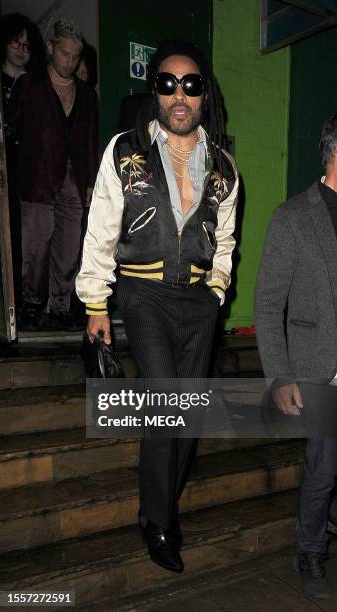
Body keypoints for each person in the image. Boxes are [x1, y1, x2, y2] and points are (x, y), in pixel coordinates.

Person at [76, 39, 238, 573]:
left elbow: (227, 239)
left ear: (203, 96)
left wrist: (216, 290)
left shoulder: (225, 169)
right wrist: (96, 303)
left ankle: (162, 506)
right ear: (156, 93)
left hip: (197, 300)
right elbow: (101, 225)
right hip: (143, 293)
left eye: (190, 85)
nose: (179, 95)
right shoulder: (126, 152)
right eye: (167, 84)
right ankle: (157, 518)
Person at [255, 113, 337, 600]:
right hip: (317, 366)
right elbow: (267, 303)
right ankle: (309, 550)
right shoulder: (292, 216)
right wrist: (280, 374)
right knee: (324, 466)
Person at [6, 19, 99, 331]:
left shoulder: (87, 95)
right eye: (64, 54)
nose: (70, 62)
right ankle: (31, 304)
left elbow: (90, 142)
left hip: (74, 181)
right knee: (35, 247)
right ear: (50, 48)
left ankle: (60, 306)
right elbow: (12, 133)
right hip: (37, 180)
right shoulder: (28, 85)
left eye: (75, 56)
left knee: (70, 249)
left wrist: (89, 183)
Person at [0, 13, 46, 310]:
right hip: (3, 164)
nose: (20, 49)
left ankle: (24, 302)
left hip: (27, 170)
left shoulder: (36, 86)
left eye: (27, 45)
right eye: (15, 42)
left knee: (24, 238)